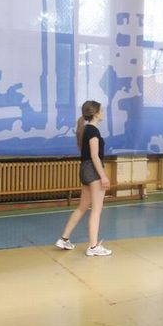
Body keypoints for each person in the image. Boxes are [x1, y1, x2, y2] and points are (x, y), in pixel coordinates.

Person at [55, 100, 113, 256]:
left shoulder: (86, 129)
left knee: (82, 207)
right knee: (96, 210)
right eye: (101, 111)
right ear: (96, 114)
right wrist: (103, 176)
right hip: (93, 170)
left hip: (85, 169)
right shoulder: (93, 131)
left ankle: (64, 239)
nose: (103, 113)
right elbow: (94, 155)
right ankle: (93, 247)